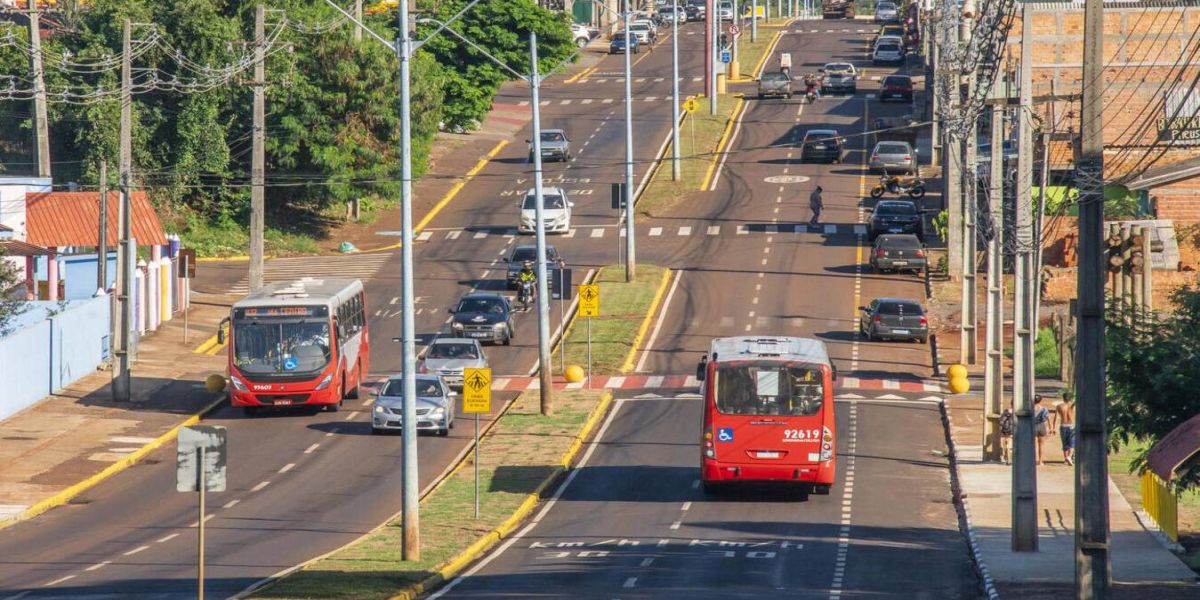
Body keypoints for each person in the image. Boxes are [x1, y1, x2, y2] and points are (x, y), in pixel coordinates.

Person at [1053, 391, 1077, 466]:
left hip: (1063, 425)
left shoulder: (1059, 406)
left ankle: (1065, 459)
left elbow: (1055, 417)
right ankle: (1069, 457)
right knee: (1072, 443)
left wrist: (1053, 428)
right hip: (1072, 425)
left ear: (1063, 398)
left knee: (1064, 443)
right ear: (1070, 398)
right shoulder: (1073, 406)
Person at [1033, 394, 1052, 466]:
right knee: (1041, 444)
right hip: (1042, 426)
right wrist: (1050, 428)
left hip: (1033, 426)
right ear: (1040, 401)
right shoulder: (1044, 409)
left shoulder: (1030, 408)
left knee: (1033, 444)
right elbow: (1048, 418)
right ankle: (1040, 461)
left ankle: (1033, 460)